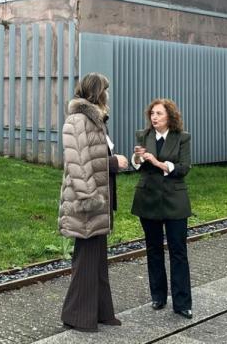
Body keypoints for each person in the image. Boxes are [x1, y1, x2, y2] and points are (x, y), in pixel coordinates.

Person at [58, 72, 129, 332]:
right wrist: (112, 164)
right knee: (86, 261)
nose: (108, 95)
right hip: (87, 202)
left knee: (97, 260)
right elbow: (79, 163)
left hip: (99, 201)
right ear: (97, 92)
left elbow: (95, 155)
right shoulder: (77, 120)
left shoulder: (96, 120)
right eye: (105, 91)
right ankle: (77, 316)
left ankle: (101, 313)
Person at [130, 98, 193, 319]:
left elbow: (184, 168)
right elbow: (137, 166)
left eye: (158, 114)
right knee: (153, 250)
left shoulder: (182, 138)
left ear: (170, 117)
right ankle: (158, 296)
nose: (154, 117)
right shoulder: (143, 136)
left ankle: (182, 303)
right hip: (148, 199)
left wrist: (158, 163)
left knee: (178, 251)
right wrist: (137, 158)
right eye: (152, 114)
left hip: (175, 201)